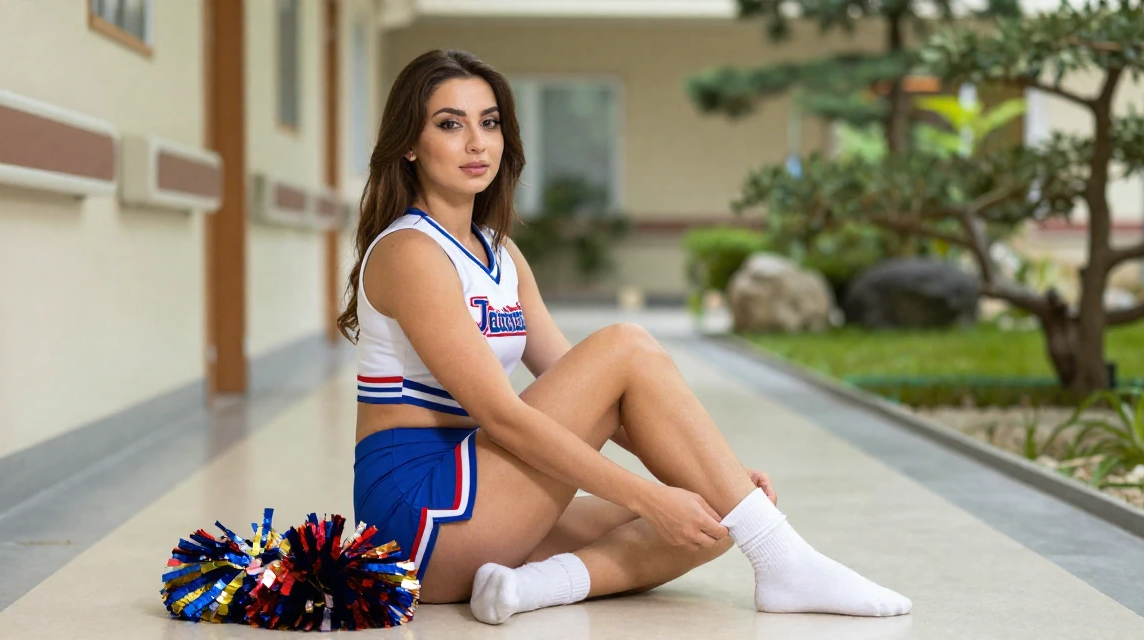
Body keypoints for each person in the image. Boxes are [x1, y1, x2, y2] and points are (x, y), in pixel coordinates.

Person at [340, 49, 912, 625]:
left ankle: (523, 590)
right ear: (409, 144)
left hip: (482, 497)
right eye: (449, 124)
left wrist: (723, 476)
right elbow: (504, 416)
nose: (476, 143)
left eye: (488, 123)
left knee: (717, 517)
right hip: (418, 521)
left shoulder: (499, 251)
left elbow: (597, 396)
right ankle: (786, 561)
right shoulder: (410, 251)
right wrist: (647, 496)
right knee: (628, 348)